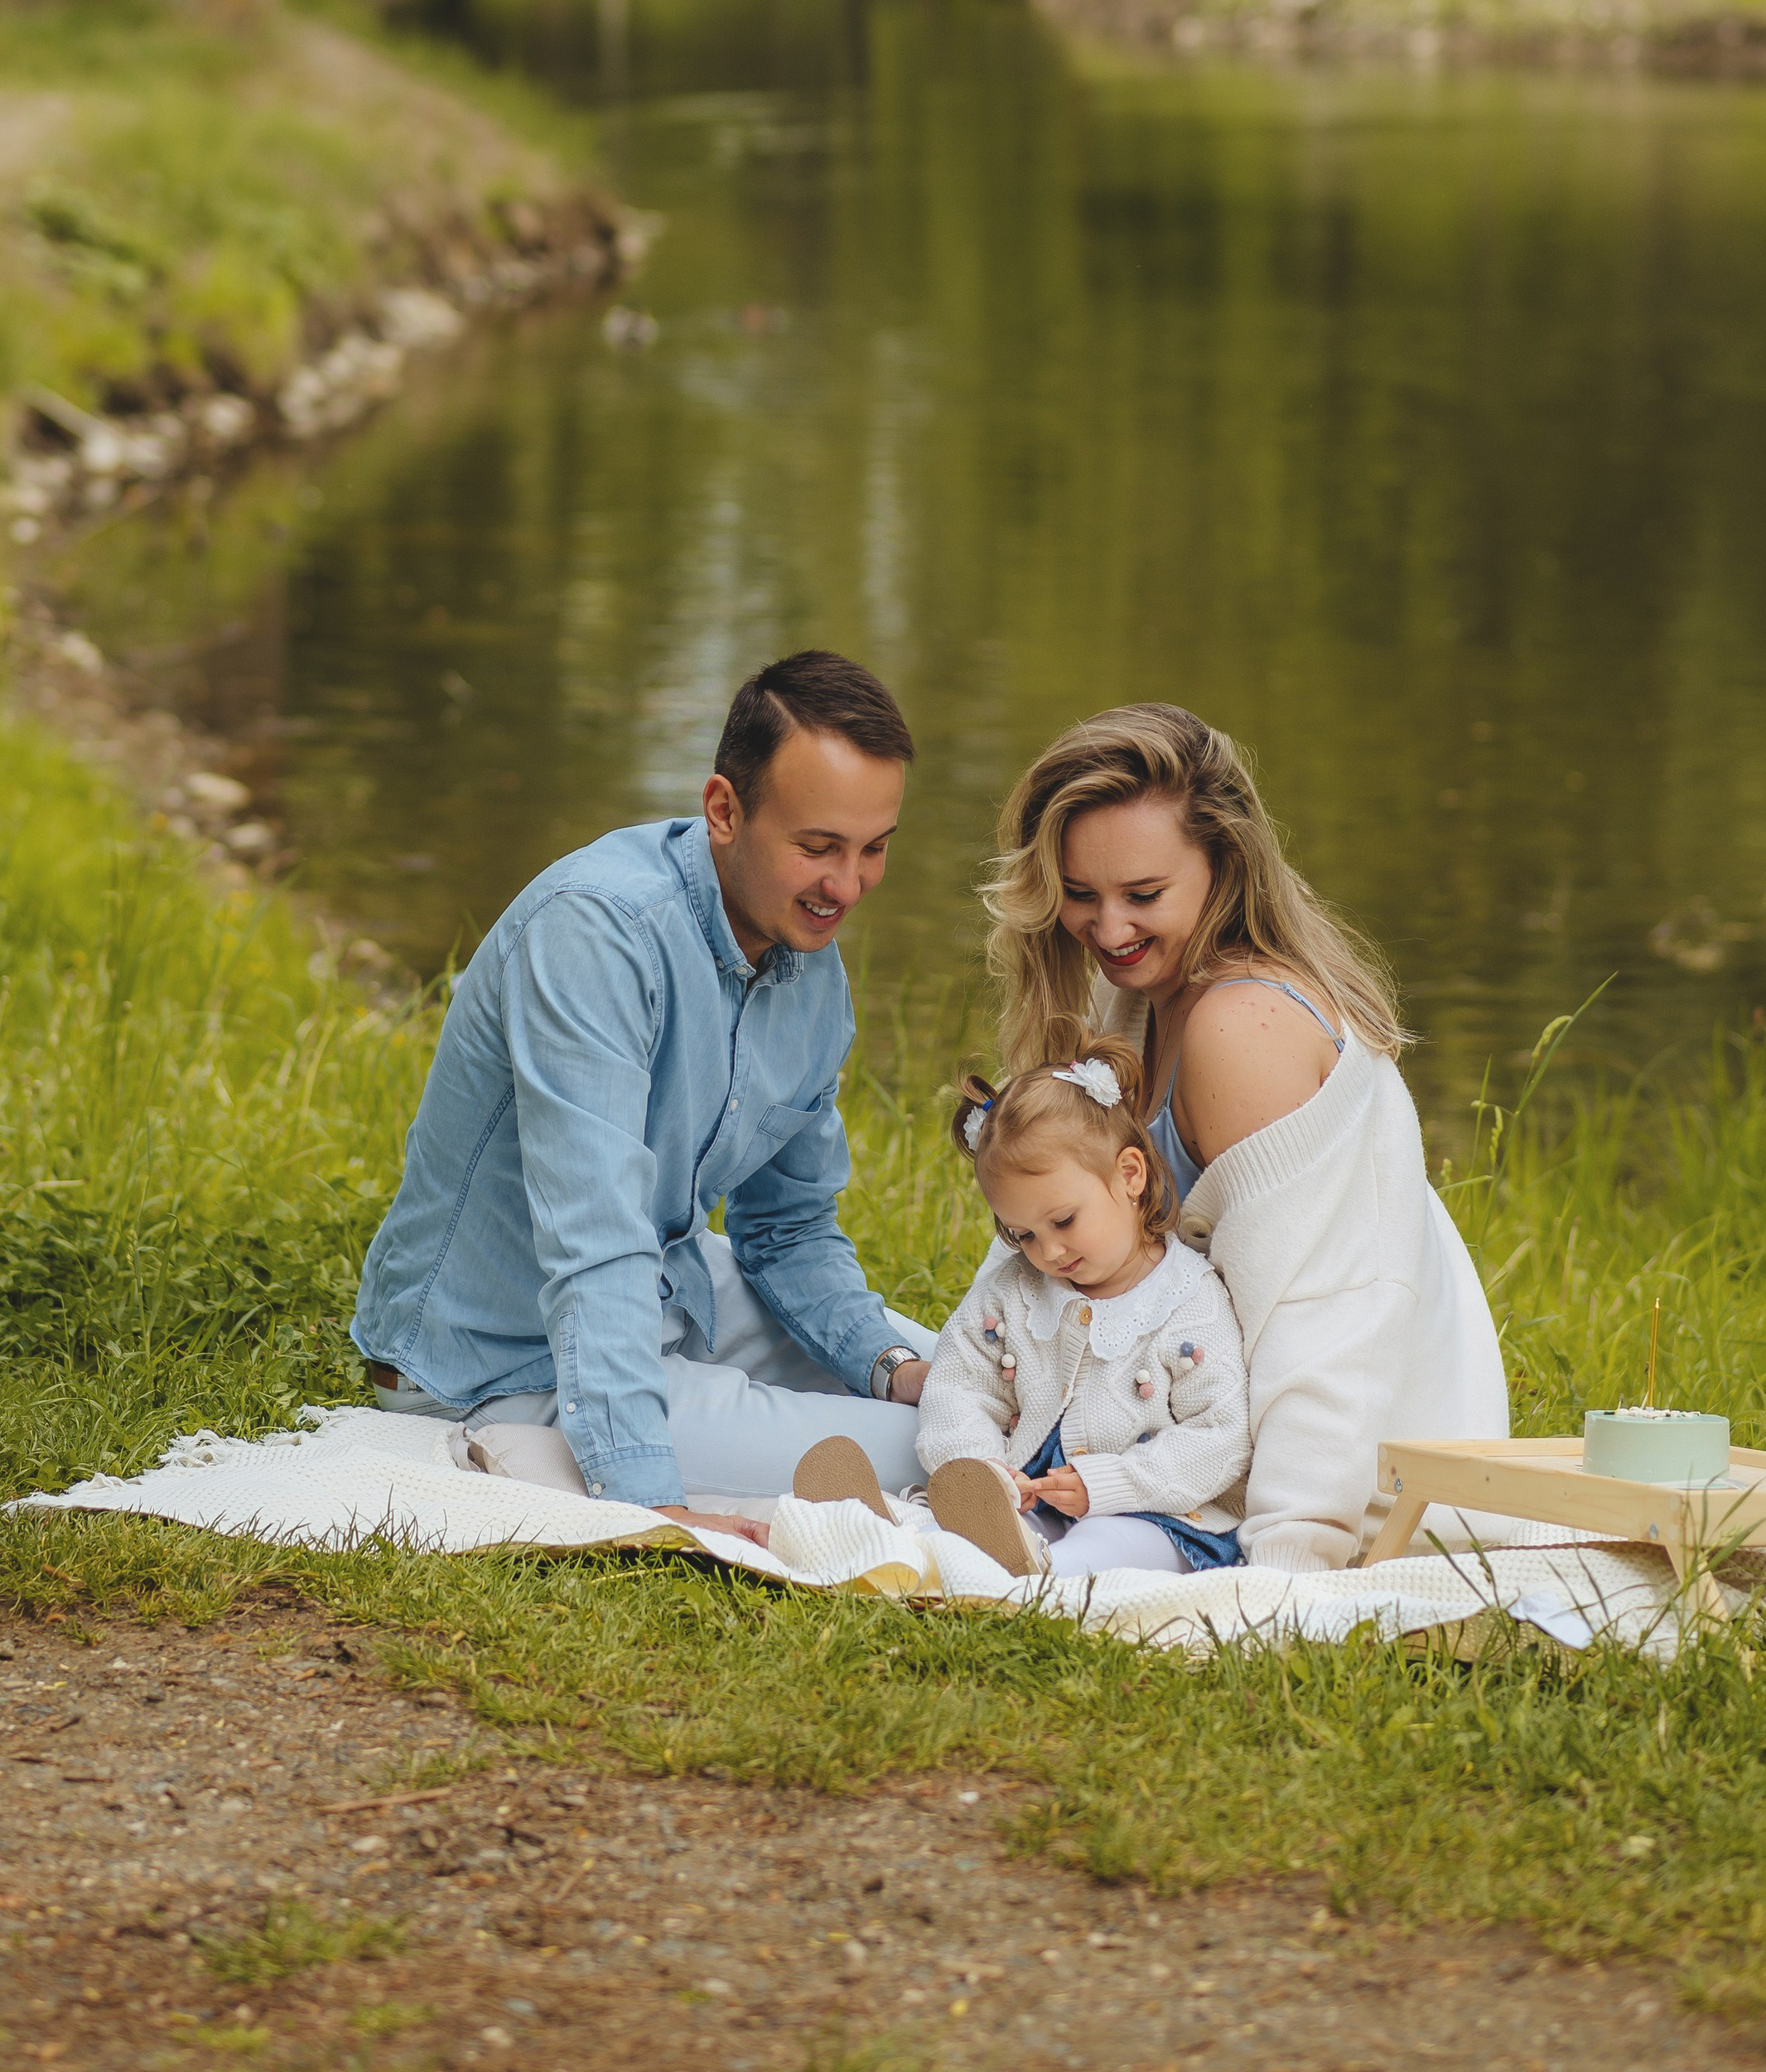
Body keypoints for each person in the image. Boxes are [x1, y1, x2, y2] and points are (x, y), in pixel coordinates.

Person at [349, 650, 935, 1536]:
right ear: (723, 810)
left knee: (969, 1384)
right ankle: (1026, 1485)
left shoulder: (807, 960)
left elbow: (790, 1232)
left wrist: (891, 1366)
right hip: (504, 1365)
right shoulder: (595, 933)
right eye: (817, 847)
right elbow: (597, 1239)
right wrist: (645, 1496)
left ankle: (1108, 1460)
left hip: (669, 1289)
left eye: (873, 850)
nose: (845, 888)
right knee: (923, 1448)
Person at [984, 703, 1508, 1571]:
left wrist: (1291, 1564)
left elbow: (1326, 1333)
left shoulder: (1243, 1029)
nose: (1108, 930)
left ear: (1223, 867)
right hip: (1173, 1425)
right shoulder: (1149, 992)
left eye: (1143, 896)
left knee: (1068, 1561)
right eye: (1080, 895)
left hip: (1347, 1486)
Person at [910, 1032, 1250, 1580]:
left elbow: (1222, 1432)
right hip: (1033, 1502)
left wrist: (1111, 1483)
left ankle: (1043, 1579)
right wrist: (982, 1469)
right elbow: (958, 1384)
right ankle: (922, 1548)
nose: (1049, 1252)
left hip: (1158, 1515)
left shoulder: (1188, 1301)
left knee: (1105, 1546)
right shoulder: (1013, 1290)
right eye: (1022, 1235)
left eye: (1064, 1221)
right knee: (953, 1530)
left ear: (1130, 1175)